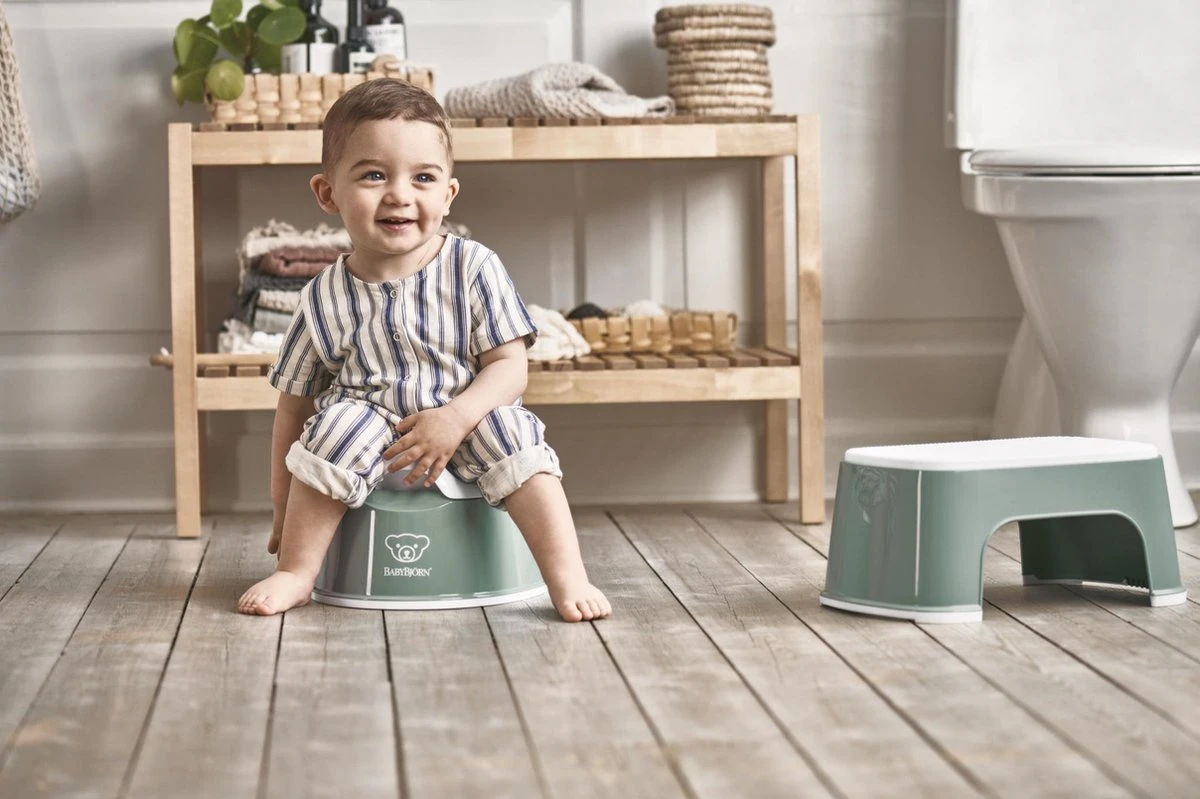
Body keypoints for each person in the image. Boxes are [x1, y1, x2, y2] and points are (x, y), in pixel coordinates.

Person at [237, 78, 611, 622]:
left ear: (448, 193)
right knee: (332, 427)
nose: (399, 195)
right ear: (328, 193)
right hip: (370, 431)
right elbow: (293, 408)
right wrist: (281, 509)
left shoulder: (474, 267)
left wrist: (456, 417)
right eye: (373, 175)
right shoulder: (321, 296)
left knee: (515, 433)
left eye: (423, 178)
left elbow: (510, 367)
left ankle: (567, 574)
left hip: (467, 416)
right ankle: (298, 572)